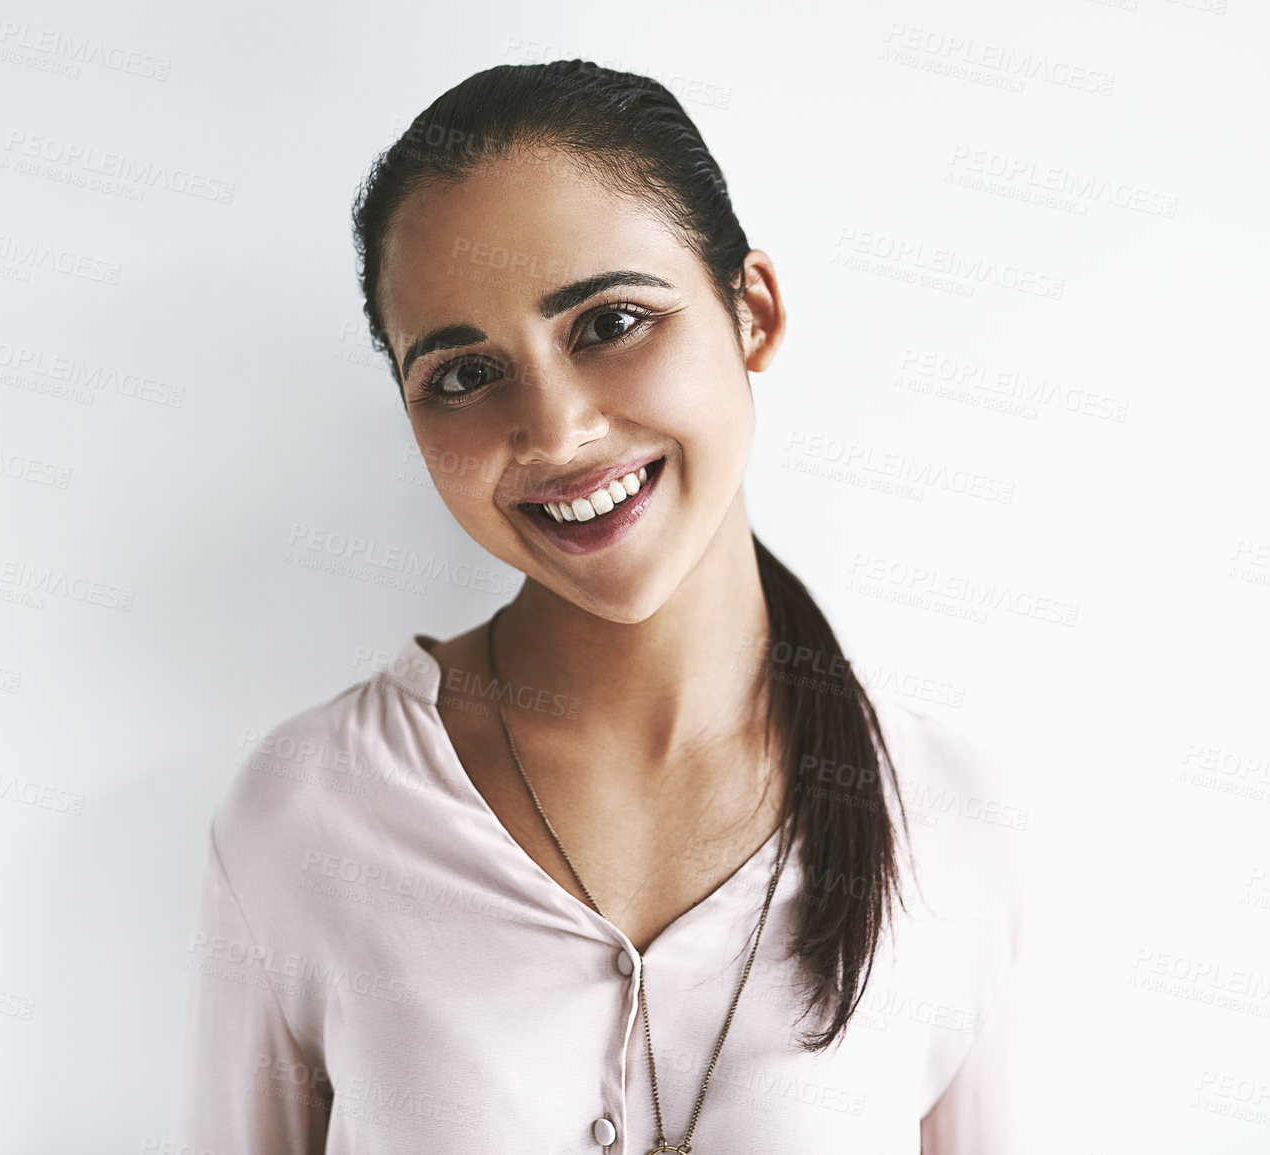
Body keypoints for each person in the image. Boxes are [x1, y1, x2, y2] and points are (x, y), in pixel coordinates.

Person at [168, 60, 1031, 1153]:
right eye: (465, 375)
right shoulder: (307, 813)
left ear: (751, 312)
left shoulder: (953, 825)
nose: (559, 430)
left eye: (612, 321)